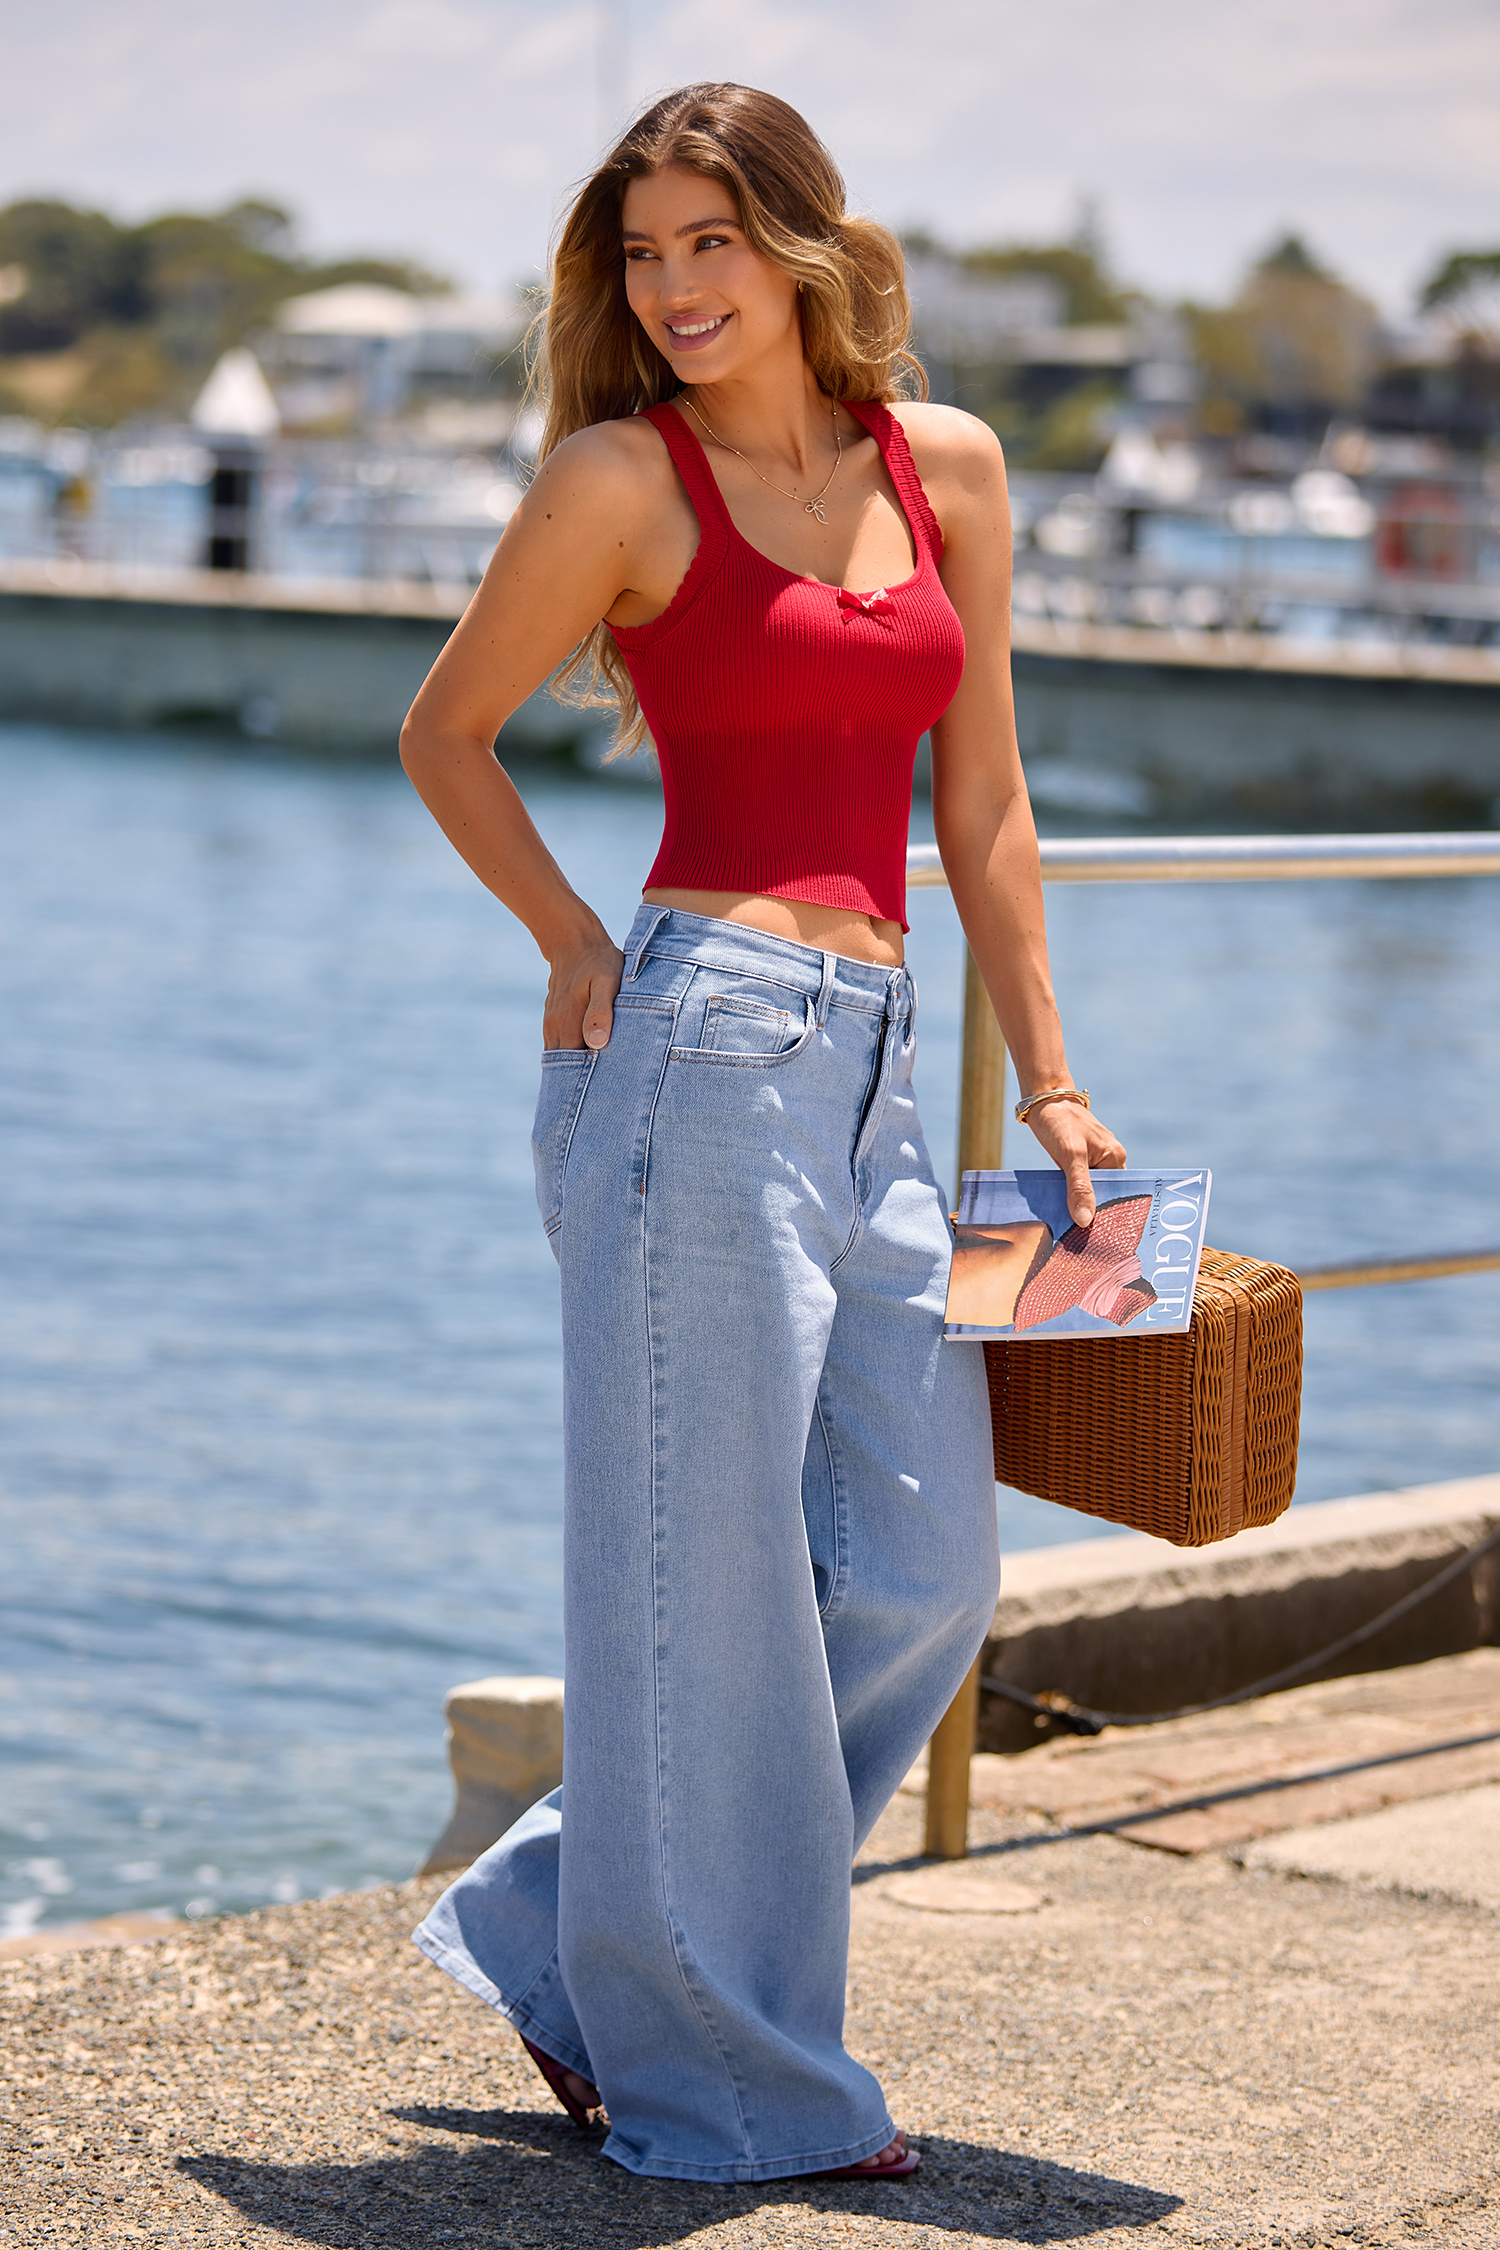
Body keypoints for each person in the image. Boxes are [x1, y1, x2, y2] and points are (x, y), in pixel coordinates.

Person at [399, 82, 1125, 2186]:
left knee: (924, 1567)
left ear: (804, 244)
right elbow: (447, 732)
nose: (673, 287)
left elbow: (986, 802)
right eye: (641, 254)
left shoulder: (948, 467)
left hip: (883, 1057)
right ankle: (721, 2082)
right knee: (691, 1584)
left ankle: (566, 1924)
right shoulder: (620, 480)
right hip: (698, 1046)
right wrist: (572, 940)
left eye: (710, 241)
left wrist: (1051, 1074)